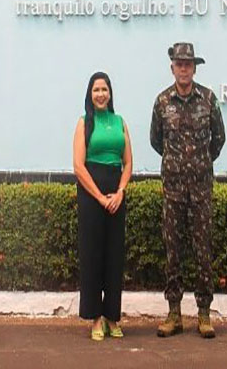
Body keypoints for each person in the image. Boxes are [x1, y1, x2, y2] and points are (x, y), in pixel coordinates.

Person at [150, 42, 226, 339]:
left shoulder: (208, 99)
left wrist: (199, 163)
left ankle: (204, 314)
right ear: (172, 68)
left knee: (203, 251)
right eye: (179, 64)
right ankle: (174, 314)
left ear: (195, 68)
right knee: (173, 253)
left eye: (188, 64)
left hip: (201, 190)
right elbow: (157, 141)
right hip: (173, 190)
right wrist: (177, 165)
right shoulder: (161, 102)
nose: (184, 69)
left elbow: (218, 139)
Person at [72, 72, 133, 341]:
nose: (100, 94)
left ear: (110, 93)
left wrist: (119, 192)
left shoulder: (120, 122)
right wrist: (99, 197)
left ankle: (112, 317)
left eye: (104, 89)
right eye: (96, 90)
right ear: (90, 94)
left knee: (114, 256)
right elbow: (77, 166)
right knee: (93, 255)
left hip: (116, 194)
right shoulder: (84, 123)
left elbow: (128, 162)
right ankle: (95, 318)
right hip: (91, 194)